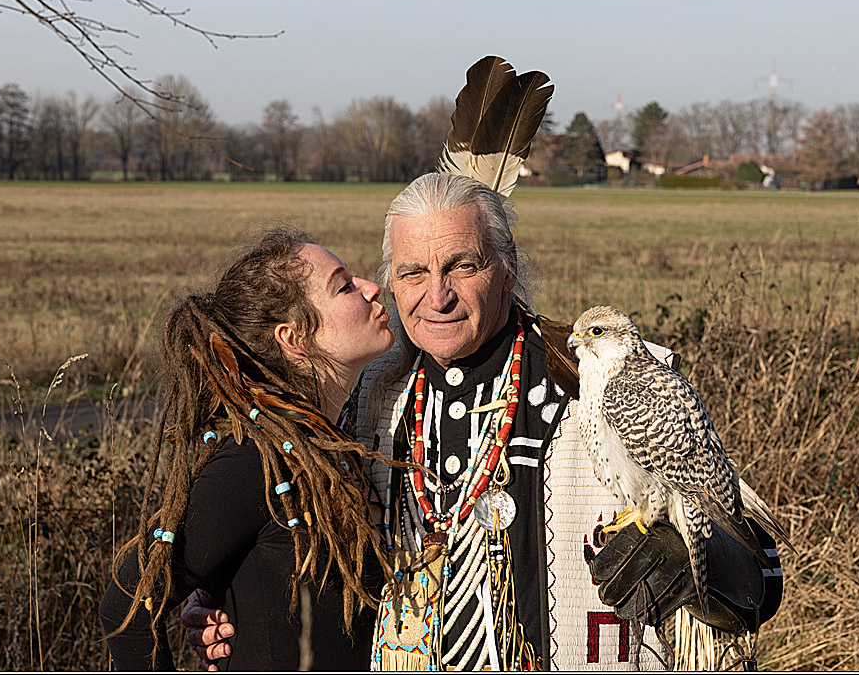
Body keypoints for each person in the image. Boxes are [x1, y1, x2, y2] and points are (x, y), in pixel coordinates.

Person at [185, 174, 784, 670]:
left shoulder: (603, 381)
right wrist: (213, 600)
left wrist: (695, 567)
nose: (436, 296)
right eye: (413, 273)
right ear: (390, 281)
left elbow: (759, 577)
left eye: (462, 266)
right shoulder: (365, 397)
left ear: (507, 265)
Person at [99, 226, 400, 670]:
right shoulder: (252, 461)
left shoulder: (334, 440)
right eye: (344, 285)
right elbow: (126, 606)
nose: (373, 288)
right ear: (294, 338)